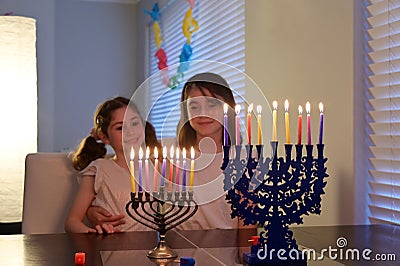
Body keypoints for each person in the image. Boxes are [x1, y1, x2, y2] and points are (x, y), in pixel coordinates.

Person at [64, 96, 161, 234]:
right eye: (120, 127)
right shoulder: (99, 169)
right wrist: (93, 233)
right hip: (111, 248)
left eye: (135, 123)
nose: (131, 131)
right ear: (104, 137)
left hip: (150, 250)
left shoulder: (157, 167)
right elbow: (72, 222)